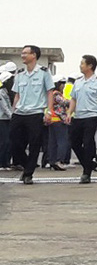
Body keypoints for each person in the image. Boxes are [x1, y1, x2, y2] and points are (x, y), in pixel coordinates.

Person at [9, 45, 55, 185]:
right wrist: (13, 111)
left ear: (33, 55)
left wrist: (49, 112)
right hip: (20, 113)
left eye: (25, 53)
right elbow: (17, 94)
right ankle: (27, 164)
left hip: (36, 113)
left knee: (35, 144)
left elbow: (49, 93)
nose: (22, 56)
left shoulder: (43, 73)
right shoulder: (20, 74)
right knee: (13, 142)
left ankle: (28, 174)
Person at [66, 54, 97, 184]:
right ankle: (88, 164)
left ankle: (86, 173)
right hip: (78, 116)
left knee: (88, 141)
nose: (80, 66)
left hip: (92, 116)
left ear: (90, 66)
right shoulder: (78, 82)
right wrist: (69, 113)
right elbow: (73, 99)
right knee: (74, 142)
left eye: (82, 63)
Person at [43, 75, 71, 170]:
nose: (63, 85)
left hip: (52, 121)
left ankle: (52, 161)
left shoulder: (51, 94)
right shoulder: (56, 95)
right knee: (62, 141)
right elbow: (66, 103)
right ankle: (59, 161)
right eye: (62, 83)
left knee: (53, 142)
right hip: (59, 121)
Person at [0, 70, 14, 170]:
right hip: (2, 119)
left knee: (8, 141)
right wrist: (12, 116)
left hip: (7, 119)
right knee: (4, 141)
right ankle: (2, 163)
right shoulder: (1, 93)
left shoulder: (6, 92)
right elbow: (4, 107)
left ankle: (6, 162)